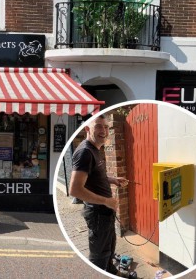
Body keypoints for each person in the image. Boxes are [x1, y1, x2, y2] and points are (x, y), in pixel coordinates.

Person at [69, 114, 128, 275]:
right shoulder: (85, 152)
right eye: (99, 126)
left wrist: (113, 179)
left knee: (108, 247)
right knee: (98, 255)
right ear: (88, 129)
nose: (104, 131)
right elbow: (74, 190)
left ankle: (111, 271)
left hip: (104, 212)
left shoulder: (95, 149)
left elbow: (93, 176)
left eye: (106, 127)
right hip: (97, 213)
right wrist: (106, 201)